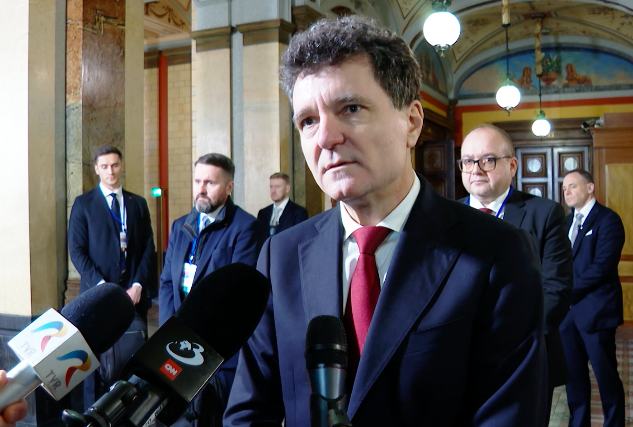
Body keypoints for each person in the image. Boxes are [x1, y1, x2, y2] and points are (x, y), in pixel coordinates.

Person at [224, 15, 547, 427]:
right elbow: (250, 412)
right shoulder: (281, 256)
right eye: (308, 121)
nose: (325, 138)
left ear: (412, 122)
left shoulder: (497, 253)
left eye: (351, 108)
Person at [458, 124, 573, 425]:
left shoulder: (544, 213)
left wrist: (509, 343)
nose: (476, 170)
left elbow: (556, 289)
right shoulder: (445, 217)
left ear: (512, 166)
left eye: (487, 160)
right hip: (458, 360)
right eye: (468, 161)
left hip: (524, 360)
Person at [159, 153, 265, 427]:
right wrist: (169, 336)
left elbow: (236, 296)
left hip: (216, 358)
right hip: (177, 346)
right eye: (197, 181)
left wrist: (197, 346)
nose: (201, 189)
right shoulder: (180, 226)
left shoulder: (246, 229)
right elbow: (167, 283)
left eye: (210, 183)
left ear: (229, 187)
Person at [68, 145, 155, 410]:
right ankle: (92, 417)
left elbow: (148, 247)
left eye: (115, 165)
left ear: (122, 166)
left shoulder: (137, 203)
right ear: (96, 169)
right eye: (104, 166)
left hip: (133, 297)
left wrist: (138, 284)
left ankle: (129, 412)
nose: (111, 171)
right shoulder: (84, 204)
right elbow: (77, 251)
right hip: (96, 297)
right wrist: (102, 288)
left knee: (131, 361)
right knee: (93, 364)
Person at [560, 170, 625, 427]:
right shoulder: (565, 222)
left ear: (590, 188)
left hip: (596, 313)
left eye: (573, 186)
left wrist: (565, 290)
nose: (567, 192)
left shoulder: (608, 220)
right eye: (564, 188)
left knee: (605, 376)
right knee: (573, 378)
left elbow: (602, 267)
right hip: (567, 316)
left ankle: (614, 423)